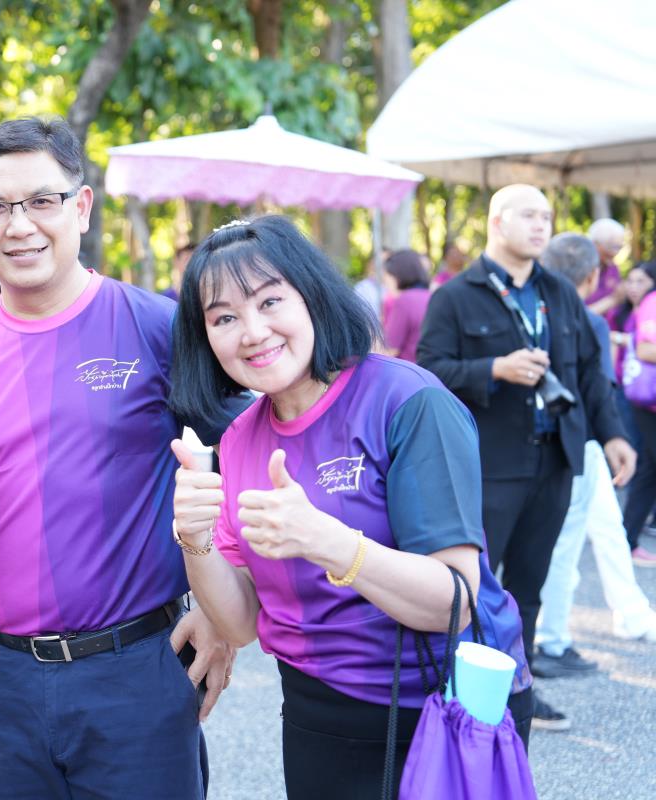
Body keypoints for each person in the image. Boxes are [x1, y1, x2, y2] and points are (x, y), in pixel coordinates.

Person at [0, 117, 243, 800]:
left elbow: (248, 455)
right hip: (3, 679)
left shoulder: (158, 329)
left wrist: (219, 609)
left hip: (138, 667)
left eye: (41, 201)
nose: (20, 225)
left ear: (80, 208)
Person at [167, 215, 532, 798]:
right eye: (224, 317)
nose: (253, 332)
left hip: (437, 703)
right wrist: (195, 536)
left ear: (312, 296)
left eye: (270, 301)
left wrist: (325, 540)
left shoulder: (407, 401)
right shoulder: (237, 440)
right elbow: (239, 623)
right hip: (315, 710)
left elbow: (453, 601)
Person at [417, 183, 635, 732]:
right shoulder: (455, 295)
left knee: (529, 589)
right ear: (497, 222)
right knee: (470, 587)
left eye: (546, 216)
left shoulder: (559, 292)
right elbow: (429, 371)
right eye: (529, 215)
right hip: (488, 467)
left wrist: (612, 435)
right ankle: (456, 696)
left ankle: (518, 692)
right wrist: (495, 369)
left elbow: (590, 374)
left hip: (554, 462)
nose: (541, 226)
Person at [535, 233, 656, 681]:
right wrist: (614, 437)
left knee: (602, 530)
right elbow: (599, 390)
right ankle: (551, 638)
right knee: (567, 542)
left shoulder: (533, 316)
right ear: (591, 277)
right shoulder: (590, 322)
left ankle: (629, 613)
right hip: (581, 444)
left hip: (552, 443)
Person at [618, 260, 656, 567]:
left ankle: (626, 540)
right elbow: (645, 350)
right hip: (648, 402)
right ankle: (625, 541)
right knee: (647, 469)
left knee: (648, 470)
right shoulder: (652, 302)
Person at [380, 249, 431, 362]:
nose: (385, 282)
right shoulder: (431, 296)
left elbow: (390, 349)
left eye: (387, 276)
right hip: (427, 369)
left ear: (398, 275)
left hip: (407, 368)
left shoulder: (404, 301)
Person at [586, 218, 627, 316]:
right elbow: (579, 315)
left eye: (620, 247)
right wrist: (613, 300)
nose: (616, 253)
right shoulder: (581, 270)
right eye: (613, 247)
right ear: (595, 244)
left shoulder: (612, 268)